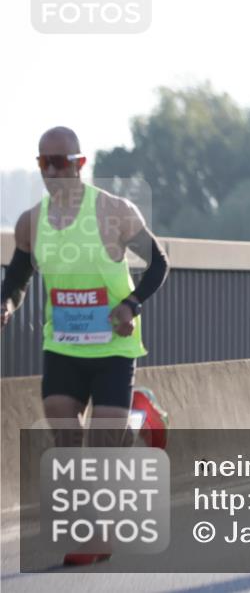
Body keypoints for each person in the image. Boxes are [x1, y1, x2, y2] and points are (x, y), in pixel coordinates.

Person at [0, 127, 170, 564]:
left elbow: (159, 263)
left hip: (113, 346)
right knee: (66, 435)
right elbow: (17, 280)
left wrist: (131, 304)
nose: (53, 171)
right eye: (45, 163)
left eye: (61, 162)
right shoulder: (30, 223)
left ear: (80, 164)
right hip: (64, 346)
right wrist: (6, 305)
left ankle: (138, 416)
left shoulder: (114, 212)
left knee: (101, 445)